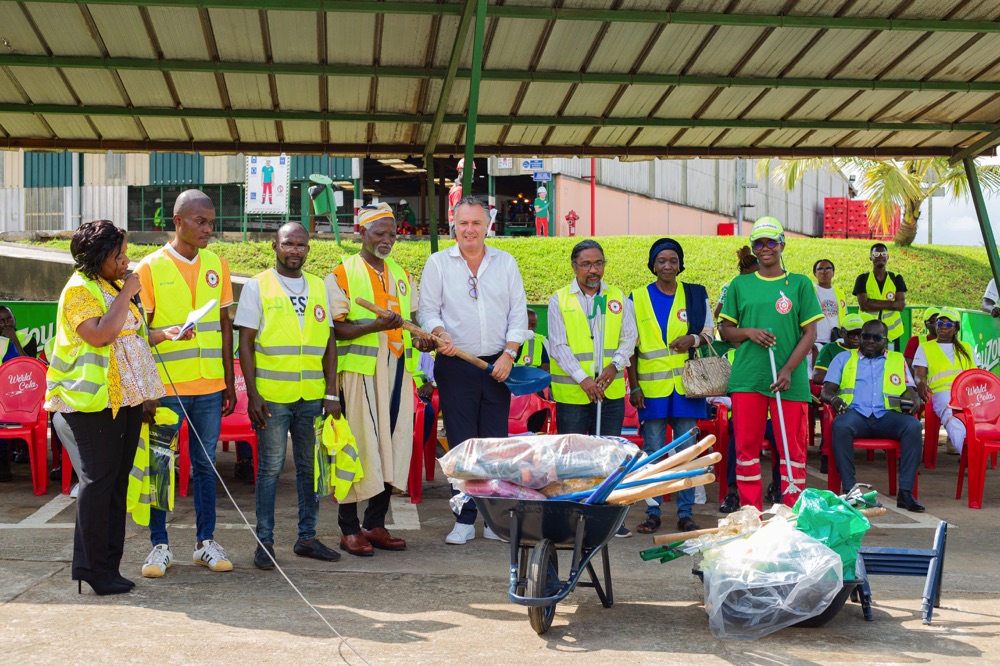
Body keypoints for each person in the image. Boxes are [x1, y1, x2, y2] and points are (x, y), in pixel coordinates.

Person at [45, 220, 187, 595]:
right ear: (97, 256)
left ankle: (109, 565)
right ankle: (90, 568)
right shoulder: (80, 290)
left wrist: (163, 334)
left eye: (125, 253)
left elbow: (128, 336)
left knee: (117, 482)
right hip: (91, 403)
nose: (126, 261)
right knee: (98, 481)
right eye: (118, 255)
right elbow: (101, 334)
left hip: (125, 401)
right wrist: (129, 291)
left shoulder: (110, 285)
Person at [135, 189, 237, 578]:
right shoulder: (149, 267)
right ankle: (159, 545)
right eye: (200, 221)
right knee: (161, 465)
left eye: (211, 222)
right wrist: (147, 389)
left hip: (210, 387)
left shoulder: (217, 264)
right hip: (166, 390)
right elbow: (137, 334)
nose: (208, 229)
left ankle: (205, 542)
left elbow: (224, 325)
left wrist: (228, 381)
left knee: (206, 466)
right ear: (178, 222)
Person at [418, 196, 531, 545]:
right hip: (456, 363)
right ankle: (464, 518)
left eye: (476, 223)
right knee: (463, 443)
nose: (470, 229)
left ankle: (494, 519)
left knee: (494, 443)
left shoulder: (505, 262)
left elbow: (518, 314)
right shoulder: (438, 264)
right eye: (463, 223)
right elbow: (428, 311)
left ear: (488, 226)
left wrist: (510, 354)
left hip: (497, 364)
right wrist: (440, 334)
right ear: (455, 225)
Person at [328, 203, 434, 556]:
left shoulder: (402, 275)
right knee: (357, 448)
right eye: (379, 233)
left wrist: (422, 340)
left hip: (398, 372)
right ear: (362, 233)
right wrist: (374, 325)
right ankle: (348, 527)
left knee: (393, 446)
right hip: (360, 373)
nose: (388, 239)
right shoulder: (342, 274)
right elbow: (335, 330)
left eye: (392, 233)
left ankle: (375, 525)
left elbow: (409, 328)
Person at [236, 223, 343, 569]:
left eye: (301, 245)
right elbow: (246, 344)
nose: (295, 250)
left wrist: (331, 392)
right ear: (274, 246)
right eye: (288, 244)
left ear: (308, 249)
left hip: (311, 395)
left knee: (308, 469)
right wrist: (252, 395)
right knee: (269, 469)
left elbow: (329, 343)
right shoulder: (258, 286)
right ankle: (264, 543)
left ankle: (307, 537)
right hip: (272, 395)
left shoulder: (318, 286)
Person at [720, 217, 822, 510]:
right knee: (746, 451)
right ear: (753, 247)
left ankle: (789, 513)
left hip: (789, 381)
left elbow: (810, 334)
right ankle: (751, 512)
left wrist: (789, 369)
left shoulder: (800, 284)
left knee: (792, 450)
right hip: (749, 377)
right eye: (759, 243)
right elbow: (725, 330)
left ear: (782, 245)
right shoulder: (740, 285)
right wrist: (749, 332)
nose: (765, 248)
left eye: (771, 242)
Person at [627, 238, 712, 533]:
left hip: (688, 387)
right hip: (651, 389)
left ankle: (685, 512)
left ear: (680, 264)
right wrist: (634, 387)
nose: (667, 266)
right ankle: (652, 511)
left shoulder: (695, 294)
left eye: (673, 260)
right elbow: (630, 348)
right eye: (661, 260)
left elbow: (710, 332)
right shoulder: (635, 298)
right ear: (653, 265)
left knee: (686, 451)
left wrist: (695, 339)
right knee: (652, 451)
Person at [821, 320, 925, 512]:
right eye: (865, 336)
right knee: (840, 426)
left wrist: (915, 399)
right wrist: (834, 400)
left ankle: (906, 492)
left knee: (913, 426)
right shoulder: (843, 358)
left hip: (886, 416)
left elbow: (909, 389)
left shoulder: (897, 359)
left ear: (885, 340)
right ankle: (851, 491)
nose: (870, 341)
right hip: (855, 415)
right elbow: (826, 391)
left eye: (876, 337)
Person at [547, 239, 635, 438]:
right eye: (586, 264)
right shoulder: (559, 299)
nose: (593, 269)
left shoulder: (618, 296)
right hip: (574, 395)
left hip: (609, 393)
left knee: (607, 453)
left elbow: (630, 337)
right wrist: (583, 379)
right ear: (574, 266)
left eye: (599, 263)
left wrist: (615, 365)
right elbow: (558, 346)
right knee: (573, 456)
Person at [913, 307, 977, 456]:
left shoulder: (967, 348)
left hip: (968, 393)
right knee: (953, 418)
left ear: (956, 328)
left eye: (948, 324)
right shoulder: (925, 348)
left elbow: (977, 375)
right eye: (940, 322)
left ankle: (974, 452)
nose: (943, 326)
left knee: (976, 420)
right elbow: (919, 374)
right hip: (941, 394)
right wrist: (921, 383)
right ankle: (970, 456)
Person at [812, 313, 864, 474]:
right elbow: (818, 377)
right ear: (842, 333)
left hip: (865, 396)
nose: (856, 338)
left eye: (860, 333)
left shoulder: (868, 348)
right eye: (851, 333)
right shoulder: (831, 349)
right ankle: (827, 455)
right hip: (838, 395)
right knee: (830, 410)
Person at [854, 242, 907, 345]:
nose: (880, 257)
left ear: (887, 257)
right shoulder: (862, 279)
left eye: (883, 254)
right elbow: (864, 305)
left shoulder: (896, 278)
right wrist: (892, 304)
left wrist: (872, 302)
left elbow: (900, 305)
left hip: (892, 334)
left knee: (890, 360)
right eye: (876, 254)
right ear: (871, 257)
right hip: (867, 333)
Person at [0, 305, 30, 480]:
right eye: (2, 321)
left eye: (9, 319)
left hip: (21, 397)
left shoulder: (23, 340)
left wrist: (14, 341)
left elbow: (29, 368)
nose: (6, 324)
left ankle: (6, 462)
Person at [713, 246, 757, 320]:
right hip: (730, 329)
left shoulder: (755, 286)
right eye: (756, 271)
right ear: (746, 270)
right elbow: (717, 313)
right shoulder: (731, 287)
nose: (758, 274)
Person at [813, 259, 847, 349]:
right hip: (816, 341)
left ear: (833, 273)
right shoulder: (810, 291)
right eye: (820, 269)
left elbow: (844, 315)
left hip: (837, 340)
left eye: (828, 269)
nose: (824, 272)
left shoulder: (840, 293)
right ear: (815, 274)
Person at [448, 158, 472, 237]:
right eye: (468, 173)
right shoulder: (459, 190)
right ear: (459, 173)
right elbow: (459, 212)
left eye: (472, 173)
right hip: (458, 226)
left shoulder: (462, 189)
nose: (471, 176)